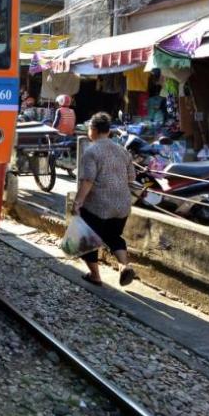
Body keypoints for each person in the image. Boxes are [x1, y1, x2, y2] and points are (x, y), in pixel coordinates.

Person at [72, 112, 137, 287]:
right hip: (122, 204)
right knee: (113, 236)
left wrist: (77, 203)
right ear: (108, 132)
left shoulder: (91, 151)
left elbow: (88, 181)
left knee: (87, 240)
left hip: (99, 205)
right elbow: (131, 178)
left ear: (92, 130)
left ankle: (95, 276)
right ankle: (124, 266)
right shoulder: (123, 151)